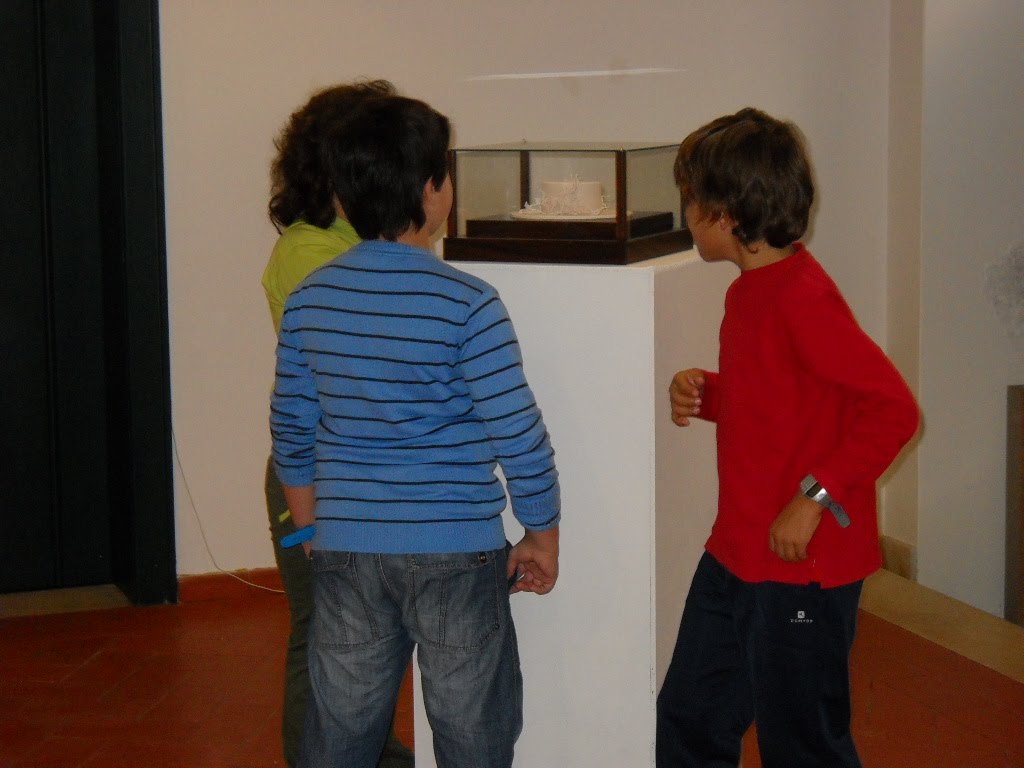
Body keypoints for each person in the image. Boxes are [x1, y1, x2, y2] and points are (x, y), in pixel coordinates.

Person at [270, 95, 561, 768]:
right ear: (434, 190)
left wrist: (311, 530)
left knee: (341, 731)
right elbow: (519, 435)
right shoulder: (469, 303)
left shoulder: (311, 299)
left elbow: (291, 430)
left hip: (346, 545)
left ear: (343, 197)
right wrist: (541, 534)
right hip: (457, 550)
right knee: (472, 732)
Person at [656, 108, 919, 768]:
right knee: (690, 719)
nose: (686, 213)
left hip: (803, 571)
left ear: (725, 214)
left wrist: (813, 498)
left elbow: (893, 411)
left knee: (801, 742)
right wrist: (709, 394)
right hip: (735, 552)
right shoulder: (750, 292)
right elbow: (783, 400)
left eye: (691, 198)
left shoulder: (803, 298)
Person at [263, 80, 413, 768]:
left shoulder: (362, 239)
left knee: (366, 636)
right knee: (325, 633)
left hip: (358, 470)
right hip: (318, 475)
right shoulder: (308, 249)